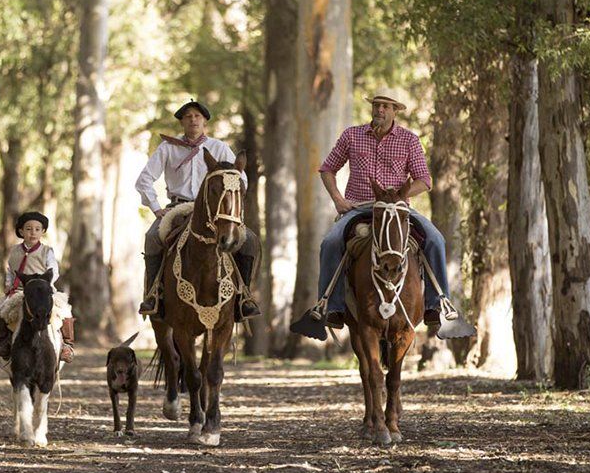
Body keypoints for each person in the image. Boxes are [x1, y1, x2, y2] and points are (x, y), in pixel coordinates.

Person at [291, 90, 476, 340]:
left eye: (386, 106)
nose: (380, 110)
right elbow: (327, 169)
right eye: (377, 105)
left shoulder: (409, 140)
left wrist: (398, 196)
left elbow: (424, 180)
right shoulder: (352, 135)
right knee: (330, 243)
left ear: (395, 111)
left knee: (436, 240)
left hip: (398, 210)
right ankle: (329, 308)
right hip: (360, 207)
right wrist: (338, 200)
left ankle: (437, 307)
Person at [135, 99, 261, 322]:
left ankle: (244, 297)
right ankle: (154, 295)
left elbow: (240, 179)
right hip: (178, 206)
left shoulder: (219, 148)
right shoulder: (168, 148)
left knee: (249, 240)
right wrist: (156, 209)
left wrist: (231, 206)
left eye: (197, 116)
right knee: (153, 237)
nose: (193, 120)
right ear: (182, 122)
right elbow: (144, 180)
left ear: (204, 122)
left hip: (214, 211)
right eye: (188, 117)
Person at [0, 211, 76, 362]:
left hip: (43, 290)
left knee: (64, 309)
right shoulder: (14, 252)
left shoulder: (47, 251)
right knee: (1, 308)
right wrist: (9, 285)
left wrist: (45, 285)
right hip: (20, 291)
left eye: (37, 229)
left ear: (43, 231)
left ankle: (67, 346)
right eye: (28, 229)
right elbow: (11, 271)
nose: (33, 232)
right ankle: (4, 342)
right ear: (21, 231)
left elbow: (53, 270)